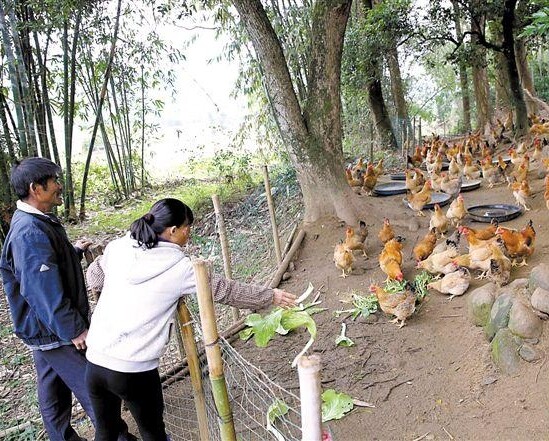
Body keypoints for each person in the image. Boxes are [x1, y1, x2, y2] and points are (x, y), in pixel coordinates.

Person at [84, 198, 297, 441]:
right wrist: (270, 296)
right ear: (172, 231)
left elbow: (94, 274)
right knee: (153, 434)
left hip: (96, 359)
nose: (190, 233)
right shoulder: (182, 269)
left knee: (106, 431)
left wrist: (109, 296)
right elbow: (225, 291)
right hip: (133, 368)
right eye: (187, 227)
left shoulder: (119, 247)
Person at [0, 157, 134, 441]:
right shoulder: (28, 231)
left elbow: (42, 270)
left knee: (53, 392)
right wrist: (74, 329)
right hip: (54, 329)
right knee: (94, 389)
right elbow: (41, 289)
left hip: (41, 328)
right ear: (36, 189)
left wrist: (71, 252)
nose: (60, 186)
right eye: (54, 182)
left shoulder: (35, 222)